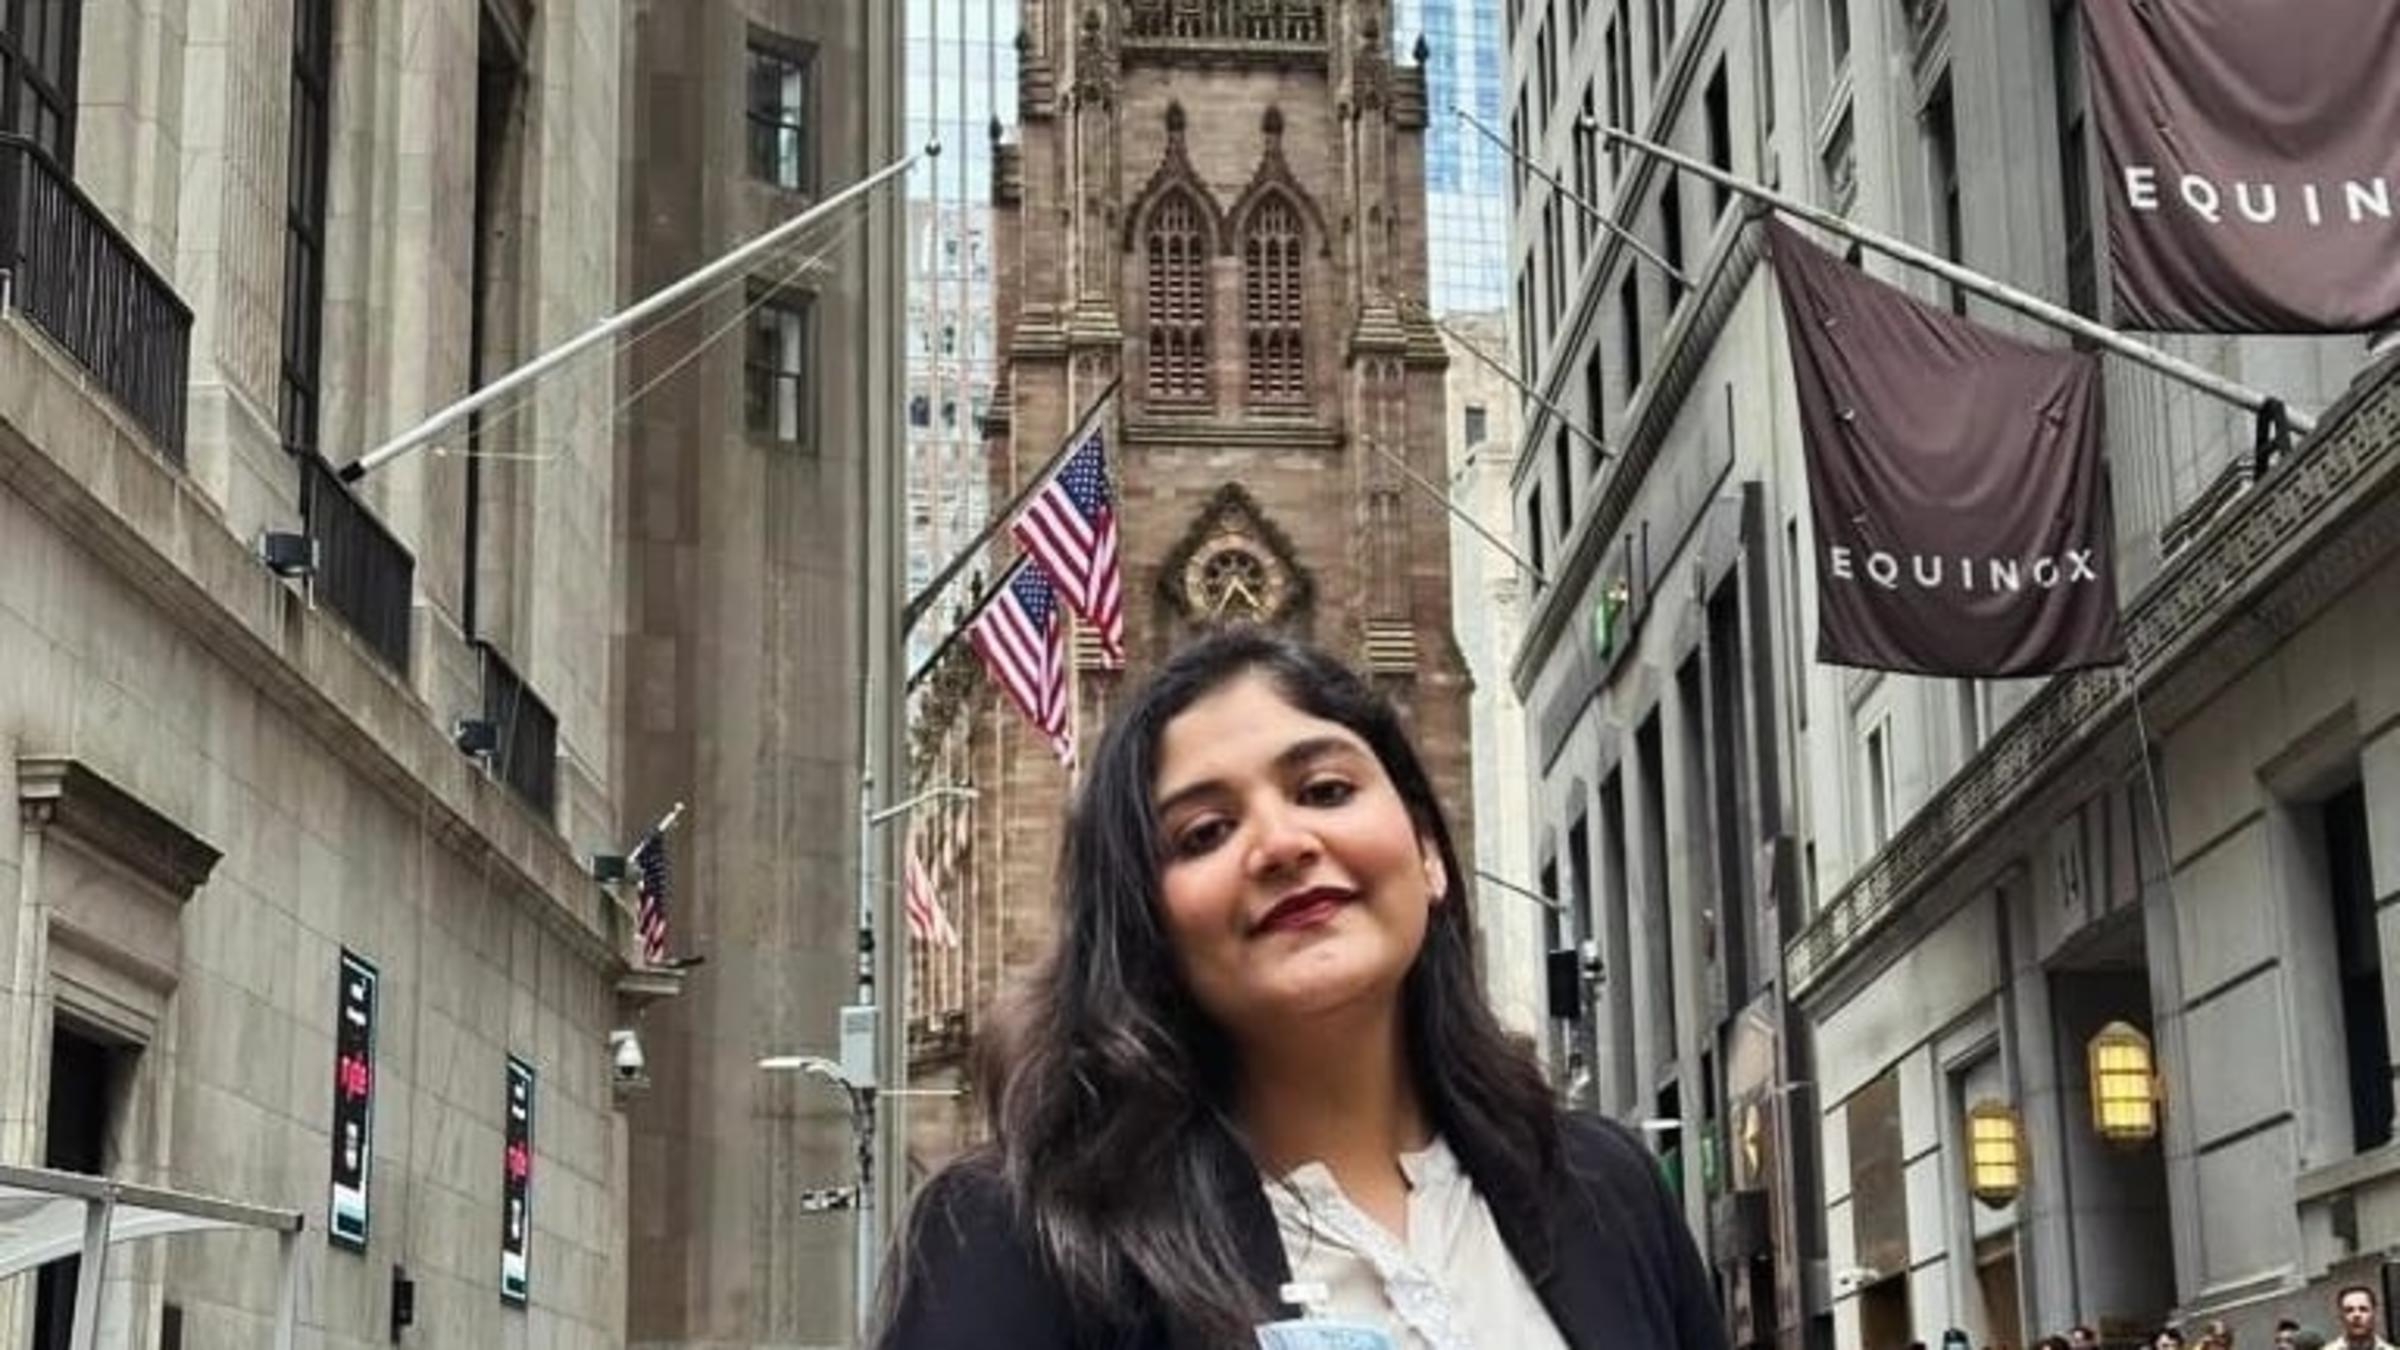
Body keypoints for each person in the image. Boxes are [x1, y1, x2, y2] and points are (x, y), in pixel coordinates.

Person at [874, 631, 1727, 1349]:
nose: (1281, 843)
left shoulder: (1605, 1190)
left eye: (1325, 790)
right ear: (1145, 925)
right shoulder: (1019, 1241)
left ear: (1427, 852)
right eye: (1204, 833)